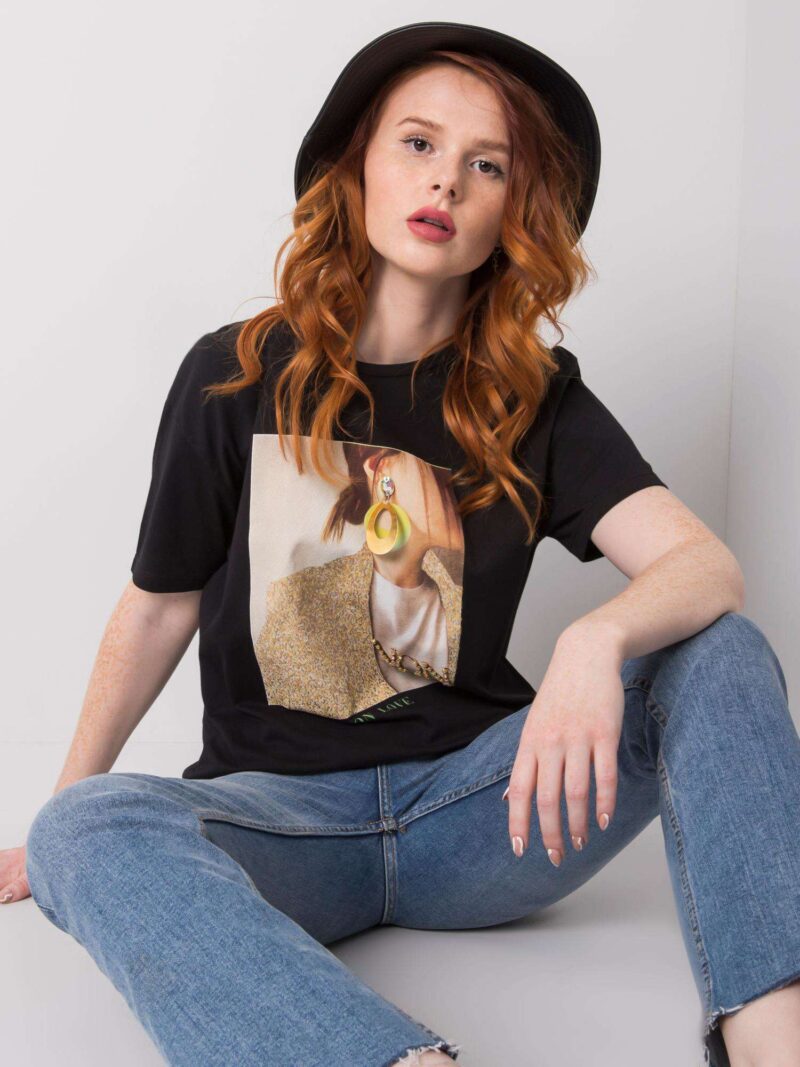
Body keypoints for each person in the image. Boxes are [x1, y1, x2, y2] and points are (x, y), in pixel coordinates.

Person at [3, 20, 799, 1067]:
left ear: (514, 210)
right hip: (279, 821)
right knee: (83, 827)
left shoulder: (536, 398)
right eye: (417, 144)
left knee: (719, 646)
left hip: (477, 816)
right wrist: (58, 822)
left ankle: (773, 1042)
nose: (447, 182)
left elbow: (706, 566)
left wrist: (593, 638)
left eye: (487, 165)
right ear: (357, 167)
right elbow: (159, 604)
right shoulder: (234, 374)